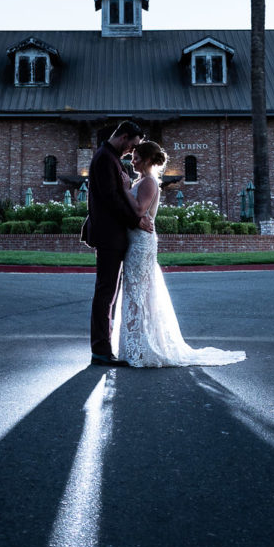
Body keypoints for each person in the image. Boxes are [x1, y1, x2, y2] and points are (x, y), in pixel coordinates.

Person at [115, 140, 246, 368]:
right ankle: (137, 345)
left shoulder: (147, 182)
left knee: (138, 292)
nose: (132, 160)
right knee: (137, 292)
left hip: (141, 244)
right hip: (136, 241)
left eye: (136, 157)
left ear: (146, 159)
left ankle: (143, 347)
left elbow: (138, 209)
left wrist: (125, 189)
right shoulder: (141, 180)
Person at [86, 120, 153, 366]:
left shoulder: (111, 158)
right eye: (132, 145)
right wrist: (136, 222)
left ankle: (104, 348)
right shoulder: (105, 158)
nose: (131, 151)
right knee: (106, 293)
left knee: (109, 292)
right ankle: (101, 351)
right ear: (124, 137)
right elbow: (111, 199)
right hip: (109, 235)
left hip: (114, 234)